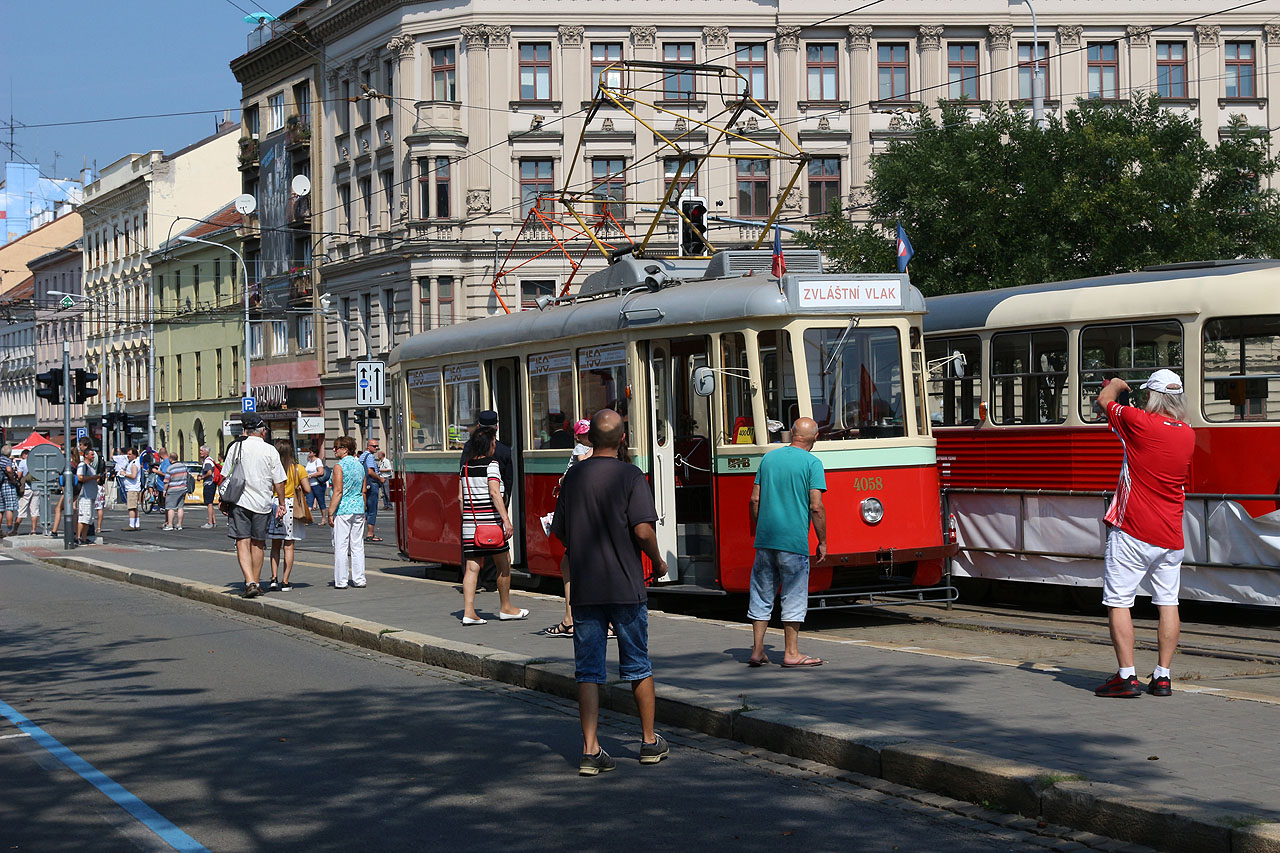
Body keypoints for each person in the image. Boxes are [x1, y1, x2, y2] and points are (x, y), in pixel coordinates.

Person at [550, 409, 669, 776]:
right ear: (621, 439)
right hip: (625, 585)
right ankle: (649, 742)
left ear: (589, 438)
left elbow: (560, 530)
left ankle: (590, 749)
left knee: (588, 670)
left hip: (586, 587)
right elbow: (644, 531)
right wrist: (659, 563)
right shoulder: (631, 476)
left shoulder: (573, 478)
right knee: (638, 664)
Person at [1093, 370, 1196, 699]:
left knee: (1119, 601)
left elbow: (1105, 401)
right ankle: (1163, 677)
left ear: (1151, 397)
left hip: (1132, 529)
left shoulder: (1139, 422)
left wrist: (1118, 385)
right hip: (1171, 535)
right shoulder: (1187, 434)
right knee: (1168, 602)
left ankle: (1126, 677)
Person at [746, 417, 827, 668]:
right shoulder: (813, 463)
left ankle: (758, 650)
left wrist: (759, 529)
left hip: (766, 540)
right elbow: (816, 507)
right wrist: (822, 541)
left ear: (791, 433)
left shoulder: (769, 458)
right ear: (815, 438)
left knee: (761, 595)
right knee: (793, 595)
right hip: (793, 543)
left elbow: (754, 500)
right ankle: (791, 653)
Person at [458, 425, 526, 624]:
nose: (495, 445)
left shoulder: (466, 467)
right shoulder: (492, 465)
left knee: (472, 568)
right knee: (504, 564)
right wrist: (506, 520)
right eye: (493, 442)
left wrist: (469, 519)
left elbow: (460, 498)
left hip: (471, 525)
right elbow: (495, 493)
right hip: (492, 523)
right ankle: (506, 607)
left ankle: (469, 612)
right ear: (488, 445)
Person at [220, 414, 288, 598]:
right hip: (263, 503)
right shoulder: (270, 450)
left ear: (246, 430)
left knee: (242, 541)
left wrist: (222, 500)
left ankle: (249, 581)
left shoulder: (236, 447)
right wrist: (281, 503)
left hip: (239, 502)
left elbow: (226, 475)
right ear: (262, 431)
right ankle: (256, 582)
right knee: (258, 543)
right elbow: (279, 481)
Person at [540, 418, 594, 638]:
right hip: (578, 516)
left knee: (576, 565)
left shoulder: (590, 453)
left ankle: (580, 620)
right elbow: (579, 462)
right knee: (568, 564)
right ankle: (571, 619)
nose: (587, 438)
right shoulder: (582, 449)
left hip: (580, 518)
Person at [459, 410, 515, 592]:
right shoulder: (504, 450)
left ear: (478, 426)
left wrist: (466, 514)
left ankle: (472, 592)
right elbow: (507, 481)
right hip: (494, 505)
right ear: (496, 427)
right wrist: (504, 508)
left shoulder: (468, 448)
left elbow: (462, 486)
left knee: (471, 556)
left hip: (473, 509)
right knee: (494, 542)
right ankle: (491, 581)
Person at [267, 440, 311, 592]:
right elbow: (308, 489)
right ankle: (285, 581)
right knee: (289, 546)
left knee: (275, 545)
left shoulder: (272, 469)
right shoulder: (298, 469)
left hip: (275, 505)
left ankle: (273, 578)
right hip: (291, 506)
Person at [330, 435, 368, 589]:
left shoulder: (339, 466)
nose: (334, 450)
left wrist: (330, 512)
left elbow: (338, 491)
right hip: (358, 508)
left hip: (343, 509)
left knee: (341, 545)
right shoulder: (360, 465)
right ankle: (359, 579)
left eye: (336, 447)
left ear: (344, 450)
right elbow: (363, 490)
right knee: (357, 545)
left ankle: (341, 580)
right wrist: (363, 509)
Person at [359, 437, 385, 542]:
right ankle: (370, 534)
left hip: (364, 484)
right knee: (372, 509)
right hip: (371, 484)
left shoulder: (362, 456)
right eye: (374, 446)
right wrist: (380, 479)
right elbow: (370, 471)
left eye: (377, 446)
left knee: (364, 508)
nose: (376, 448)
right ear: (368, 446)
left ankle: (360, 532)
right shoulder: (369, 456)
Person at [75, 444, 101, 546]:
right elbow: (80, 477)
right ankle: (78, 537)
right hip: (84, 495)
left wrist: (98, 478)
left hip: (91, 495)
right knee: (83, 517)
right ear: (86, 455)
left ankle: (84, 538)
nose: (93, 456)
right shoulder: (82, 465)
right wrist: (92, 478)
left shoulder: (91, 467)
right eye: (91, 454)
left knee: (89, 518)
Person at [162, 454, 190, 531]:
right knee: (180, 507)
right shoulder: (183, 466)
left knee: (170, 507)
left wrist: (164, 490)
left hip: (173, 489)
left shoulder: (170, 468)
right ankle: (179, 524)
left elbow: (166, 481)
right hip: (183, 488)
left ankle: (170, 524)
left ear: (170, 459)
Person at [16, 449, 39, 534]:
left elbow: (19, 475)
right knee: (35, 510)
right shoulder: (36, 462)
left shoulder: (23, 462)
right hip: (36, 487)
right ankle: (33, 530)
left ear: (24, 455)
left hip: (26, 488)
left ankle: (15, 530)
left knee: (21, 510)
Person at [305, 448, 330, 525]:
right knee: (309, 502)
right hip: (310, 485)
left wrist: (311, 476)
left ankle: (323, 520)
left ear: (314, 453)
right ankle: (307, 519)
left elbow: (321, 472)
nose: (309, 453)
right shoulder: (309, 461)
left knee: (321, 501)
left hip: (318, 485)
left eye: (310, 451)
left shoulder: (318, 461)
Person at [121, 447, 143, 530]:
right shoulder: (135, 462)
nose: (128, 456)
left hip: (132, 488)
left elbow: (133, 476)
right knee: (135, 507)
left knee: (131, 507)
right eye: (128, 454)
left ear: (134, 455)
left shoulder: (134, 464)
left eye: (130, 454)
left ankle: (131, 525)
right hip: (134, 487)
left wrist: (124, 474)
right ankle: (136, 524)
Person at [0, 444, 18, 534]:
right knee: (9, 507)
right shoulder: (7, 461)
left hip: (0, 484)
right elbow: (9, 470)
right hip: (7, 484)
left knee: (0, 509)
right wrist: (13, 480)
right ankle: (9, 529)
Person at [198, 446, 218, 528]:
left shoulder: (207, 462)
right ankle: (213, 521)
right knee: (210, 503)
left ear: (206, 452)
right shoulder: (210, 460)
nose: (200, 452)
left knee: (209, 503)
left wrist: (202, 477)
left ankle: (210, 522)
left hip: (209, 483)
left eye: (202, 450)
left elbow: (209, 473)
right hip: (212, 483)